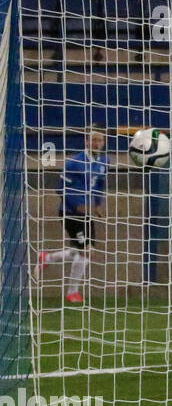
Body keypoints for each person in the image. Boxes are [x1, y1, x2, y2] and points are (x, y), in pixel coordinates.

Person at [38, 124, 109, 304]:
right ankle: (72, 293)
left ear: (104, 142)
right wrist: (77, 206)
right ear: (86, 141)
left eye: (99, 140)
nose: (96, 143)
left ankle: (48, 257)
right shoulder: (74, 162)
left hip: (87, 213)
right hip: (70, 213)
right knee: (86, 251)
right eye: (93, 139)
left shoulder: (104, 161)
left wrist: (98, 204)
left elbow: (100, 184)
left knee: (85, 249)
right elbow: (60, 189)